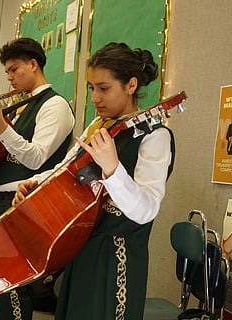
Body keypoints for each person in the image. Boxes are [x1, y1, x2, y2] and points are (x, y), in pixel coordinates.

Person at [13, 42, 175, 319]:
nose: (94, 98)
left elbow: (146, 209)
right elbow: (66, 168)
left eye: (104, 88)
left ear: (131, 85)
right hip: (82, 244)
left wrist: (113, 169)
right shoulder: (97, 127)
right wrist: (37, 182)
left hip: (118, 257)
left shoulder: (155, 136)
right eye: (91, 88)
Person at [0, 37, 75, 319]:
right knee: (1, 287)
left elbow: (34, 157)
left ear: (33, 65)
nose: (9, 78)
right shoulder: (23, 104)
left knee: (13, 288)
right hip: (0, 200)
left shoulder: (55, 106)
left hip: (23, 205)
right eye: (6, 71)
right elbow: (3, 150)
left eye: (14, 69)